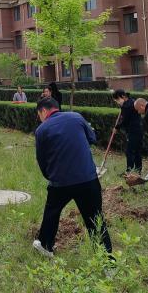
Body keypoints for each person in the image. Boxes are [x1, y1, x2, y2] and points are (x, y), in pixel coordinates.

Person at [32, 97, 112, 257]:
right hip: (88, 179)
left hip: (60, 183)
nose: (39, 118)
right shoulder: (76, 117)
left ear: (44, 111)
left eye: (39, 115)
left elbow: (41, 160)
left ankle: (46, 246)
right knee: (95, 218)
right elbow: (92, 138)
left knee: (52, 213)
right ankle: (107, 261)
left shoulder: (42, 130)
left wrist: (51, 176)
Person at [112, 89, 143, 174]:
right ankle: (138, 170)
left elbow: (125, 120)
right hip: (139, 129)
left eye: (118, 100)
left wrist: (116, 127)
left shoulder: (126, 106)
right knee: (137, 151)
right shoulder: (132, 101)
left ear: (122, 96)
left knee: (129, 151)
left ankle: (129, 171)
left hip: (132, 131)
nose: (118, 102)